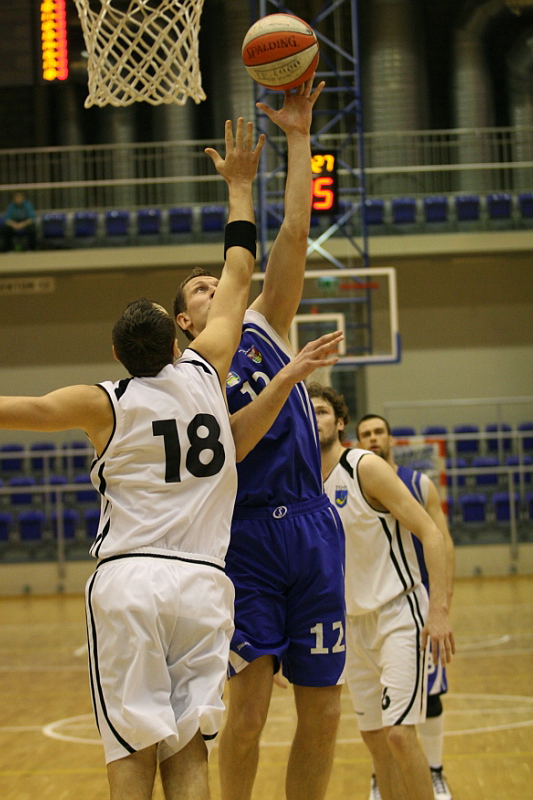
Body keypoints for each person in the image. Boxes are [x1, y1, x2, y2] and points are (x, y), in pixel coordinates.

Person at [0, 116, 265, 800]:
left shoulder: (103, 402)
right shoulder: (207, 369)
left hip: (130, 581)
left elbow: (20, 410)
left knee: (129, 743)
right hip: (204, 582)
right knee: (187, 742)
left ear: (118, 354)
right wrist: (239, 186)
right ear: (179, 341)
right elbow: (239, 271)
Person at [175, 76, 347, 800]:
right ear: (184, 322)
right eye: (199, 290)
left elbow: (291, 235)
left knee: (323, 710)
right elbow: (234, 448)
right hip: (243, 538)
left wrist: (299, 138)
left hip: (311, 525)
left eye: (214, 281)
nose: (213, 288)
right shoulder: (187, 376)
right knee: (245, 719)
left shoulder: (266, 324)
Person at [308, 384, 455, 800]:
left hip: (398, 611)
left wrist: (439, 610)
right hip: (350, 625)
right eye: (308, 412)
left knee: (399, 736)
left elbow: (430, 532)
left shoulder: (364, 467)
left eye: (322, 411)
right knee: (375, 742)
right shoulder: (302, 482)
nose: (314, 418)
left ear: (340, 422)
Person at [356, 413, 455, 800]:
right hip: (369, 602)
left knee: (430, 694)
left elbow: (442, 541)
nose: (373, 438)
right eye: (366, 433)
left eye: (379, 432)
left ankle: (435, 770)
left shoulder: (418, 483)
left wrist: (442, 604)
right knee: (378, 710)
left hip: (415, 599)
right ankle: (382, 776)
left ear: (391, 439)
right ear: (357, 442)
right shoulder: (354, 480)